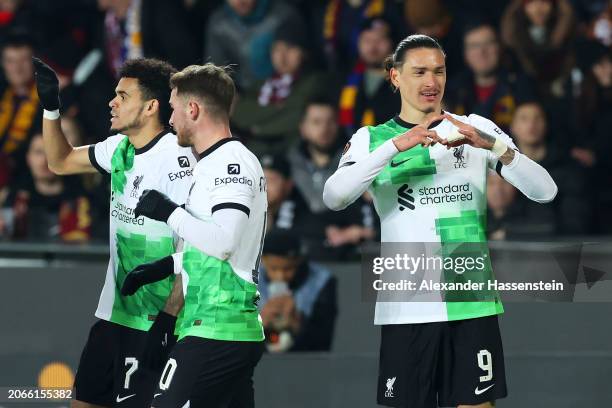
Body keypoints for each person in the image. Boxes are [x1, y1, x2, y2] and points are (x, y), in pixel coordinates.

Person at [323, 34, 557, 408]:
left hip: (472, 300)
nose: (431, 82)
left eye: (439, 71)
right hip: (407, 306)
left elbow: (545, 191)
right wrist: (394, 147)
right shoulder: (373, 139)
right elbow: (334, 197)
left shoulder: (473, 127)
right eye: (418, 72)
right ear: (394, 76)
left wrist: (496, 147)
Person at [33, 57, 196, 408]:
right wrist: (50, 109)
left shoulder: (179, 161)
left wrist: (168, 319)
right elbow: (59, 161)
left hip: (157, 325)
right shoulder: (119, 149)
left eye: (123, 96)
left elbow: (196, 250)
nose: (112, 102)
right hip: (114, 317)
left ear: (152, 106)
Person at [121, 63, 267, 408]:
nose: (169, 120)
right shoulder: (215, 162)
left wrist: (168, 212)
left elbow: (225, 243)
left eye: (172, 108)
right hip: (216, 325)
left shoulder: (230, 163)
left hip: (219, 327)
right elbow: (216, 244)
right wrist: (165, 266)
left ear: (193, 109)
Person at [231, 16, 329, 156]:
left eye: (289, 49)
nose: (282, 57)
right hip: (255, 155)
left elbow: (295, 118)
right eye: (276, 49)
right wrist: (279, 109)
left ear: (304, 52)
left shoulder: (314, 82)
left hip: (291, 156)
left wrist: (256, 128)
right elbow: (239, 114)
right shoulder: (261, 83)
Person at [1, 132, 92, 241]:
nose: (44, 160)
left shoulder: (84, 201)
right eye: (38, 152)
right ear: (28, 158)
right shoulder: (11, 199)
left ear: (61, 156)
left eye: (50, 152)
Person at [445, 21, 534, 133]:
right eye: (474, 46)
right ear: (465, 53)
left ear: (500, 48)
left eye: (488, 43)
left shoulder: (521, 86)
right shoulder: (451, 90)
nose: (482, 52)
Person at [258, 229, 338, 352]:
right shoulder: (248, 280)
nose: (281, 277)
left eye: (288, 269)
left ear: (299, 260)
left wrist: (298, 324)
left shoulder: (321, 281)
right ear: (263, 260)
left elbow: (324, 342)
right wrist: (259, 322)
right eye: (273, 268)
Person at [339, 17, 400, 135]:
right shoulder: (346, 78)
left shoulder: (405, 81)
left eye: (379, 41)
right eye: (367, 40)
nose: (373, 47)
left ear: (393, 44)